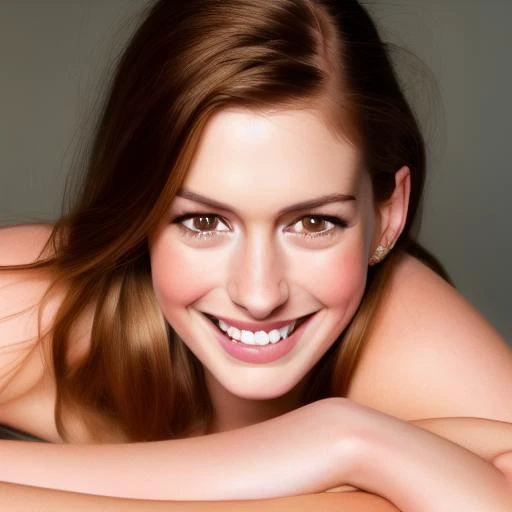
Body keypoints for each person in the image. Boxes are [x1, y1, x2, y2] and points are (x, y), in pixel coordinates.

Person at [0, 0, 511, 510]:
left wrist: (349, 440)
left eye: (314, 224)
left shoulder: (412, 340)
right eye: (203, 222)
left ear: (388, 214)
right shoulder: (39, 306)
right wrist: (334, 448)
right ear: (142, 213)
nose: (259, 294)